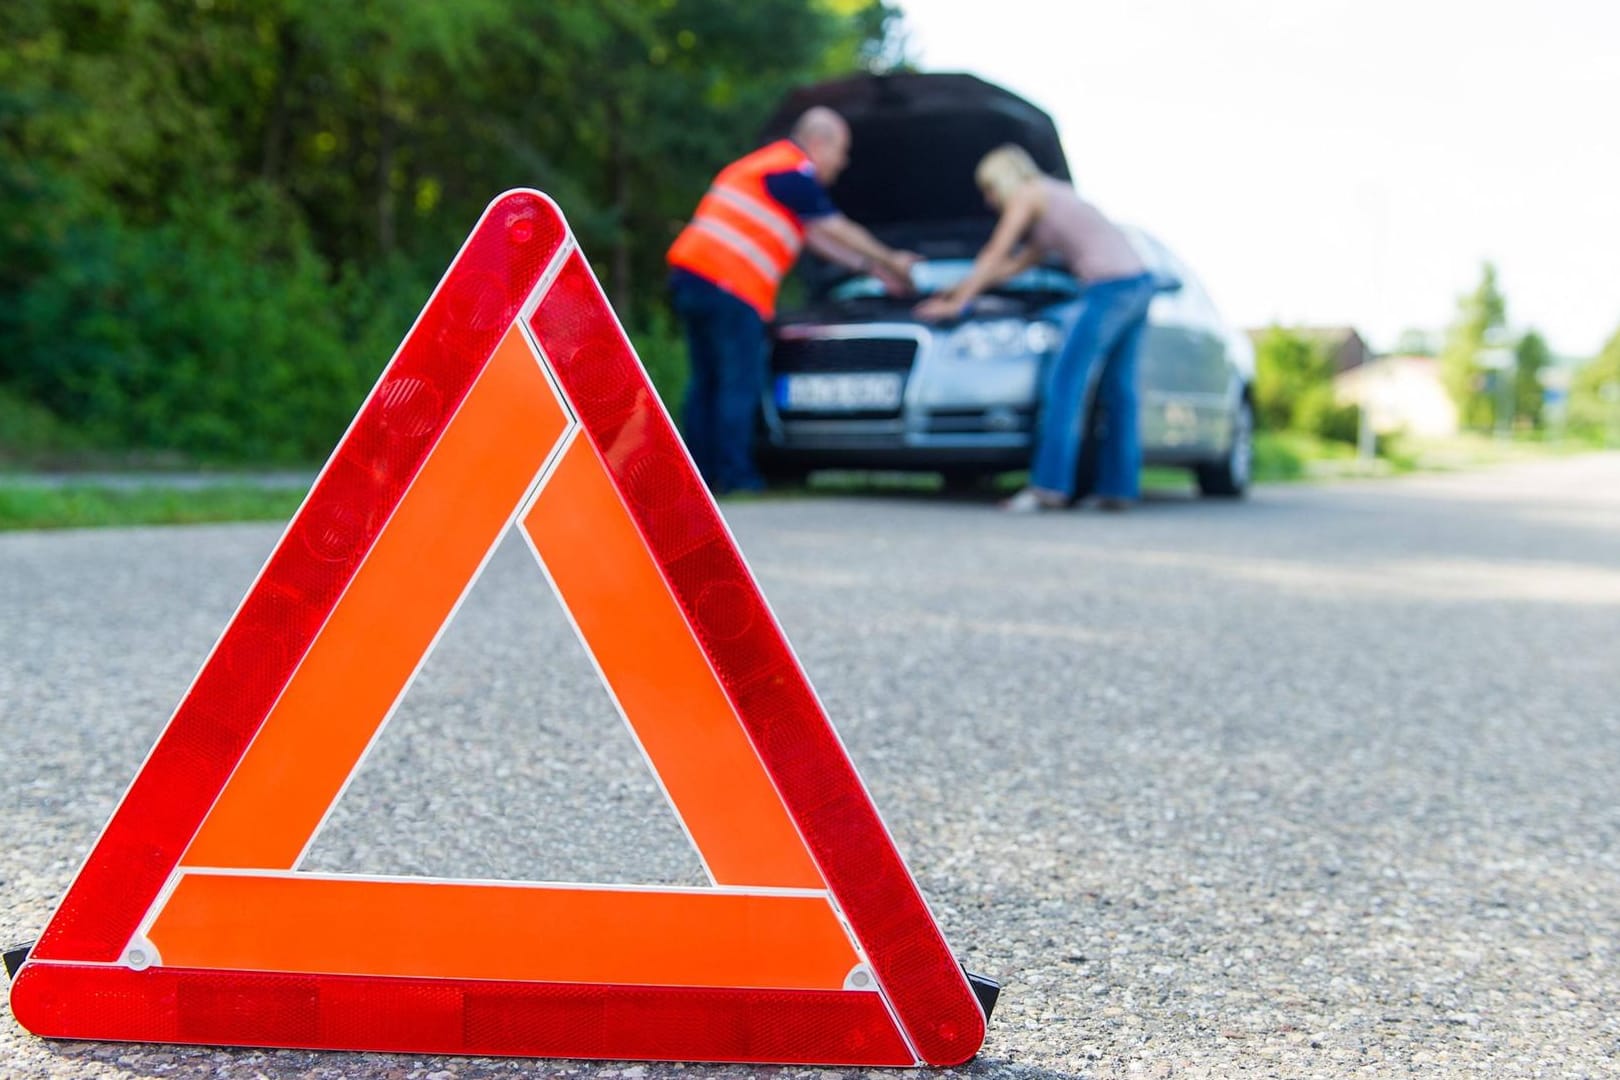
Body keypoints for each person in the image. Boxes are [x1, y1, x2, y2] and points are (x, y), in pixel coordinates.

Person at [667, 107, 920, 495]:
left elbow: (815, 237)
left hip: (694, 278)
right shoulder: (792, 169)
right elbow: (834, 227)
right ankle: (736, 478)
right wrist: (893, 260)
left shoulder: (769, 170)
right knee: (739, 382)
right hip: (729, 285)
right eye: (842, 150)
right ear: (819, 143)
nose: (844, 162)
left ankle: (697, 478)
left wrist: (873, 270)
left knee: (707, 383)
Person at [916, 144, 1155, 512]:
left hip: (1108, 289)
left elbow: (996, 252)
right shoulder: (1053, 204)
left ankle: (1048, 488)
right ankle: (1118, 490)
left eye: (990, 189)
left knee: (1065, 382)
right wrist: (957, 288)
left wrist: (957, 305)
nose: (988, 199)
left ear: (1005, 179)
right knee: (1120, 392)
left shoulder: (1029, 195)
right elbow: (1012, 267)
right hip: (1138, 283)